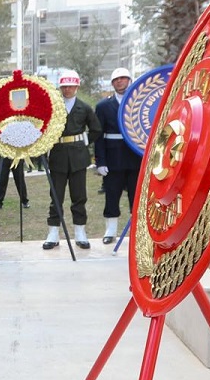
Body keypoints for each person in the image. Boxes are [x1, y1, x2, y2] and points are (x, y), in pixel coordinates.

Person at [44, 72, 103, 250]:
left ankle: (80, 232)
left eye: (70, 86)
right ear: (60, 88)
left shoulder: (84, 108)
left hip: (78, 156)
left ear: (77, 87)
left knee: (79, 197)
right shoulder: (52, 107)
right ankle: (53, 233)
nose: (67, 90)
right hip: (58, 155)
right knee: (56, 196)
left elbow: (96, 129)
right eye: (64, 87)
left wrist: (84, 141)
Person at [94, 68, 141, 243]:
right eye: (116, 79)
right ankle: (110, 231)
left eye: (123, 78)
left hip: (136, 158)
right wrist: (100, 161)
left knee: (136, 197)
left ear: (129, 80)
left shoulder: (139, 102)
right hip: (113, 159)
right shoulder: (103, 106)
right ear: (112, 83)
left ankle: (137, 232)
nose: (120, 82)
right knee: (112, 195)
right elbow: (98, 136)